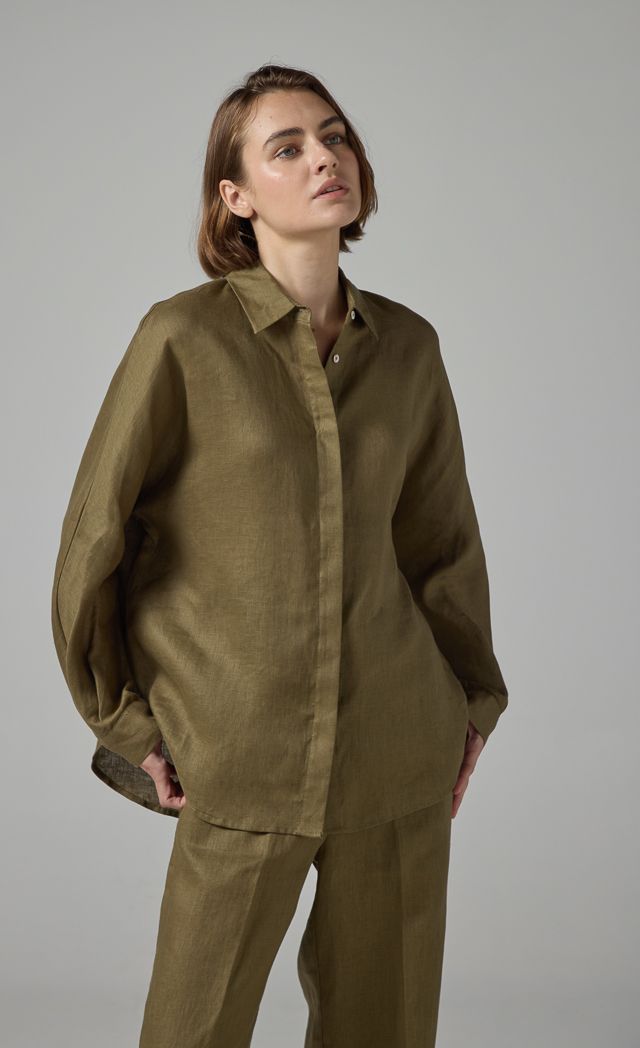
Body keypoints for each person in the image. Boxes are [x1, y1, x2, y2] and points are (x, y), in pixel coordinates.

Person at [51, 62, 509, 1048]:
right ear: (237, 196)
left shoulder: (410, 349)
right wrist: (126, 720)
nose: (324, 158)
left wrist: (470, 705)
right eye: (287, 147)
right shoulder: (182, 340)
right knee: (194, 1027)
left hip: (397, 751)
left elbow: (440, 544)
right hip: (237, 753)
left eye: (335, 136)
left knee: (384, 1030)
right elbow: (96, 536)